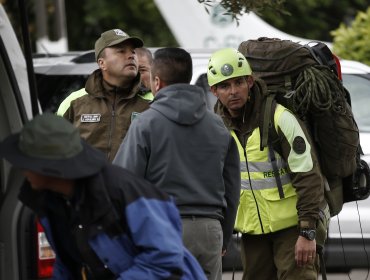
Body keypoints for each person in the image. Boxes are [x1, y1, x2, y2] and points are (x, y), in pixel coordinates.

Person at [0, 113, 207, 280]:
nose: (21, 168)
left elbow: (164, 261)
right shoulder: (52, 203)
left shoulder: (127, 194)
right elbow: (67, 264)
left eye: (26, 161)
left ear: (49, 167)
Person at [113, 47, 241, 280]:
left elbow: (123, 183)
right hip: (210, 230)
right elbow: (232, 188)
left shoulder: (146, 124)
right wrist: (224, 233)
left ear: (157, 82)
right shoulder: (218, 127)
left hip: (163, 228)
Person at [207, 48, 329, 280]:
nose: (233, 91)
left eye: (238, 83)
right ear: (214, 91)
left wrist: (307, 231)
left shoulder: (279, 118)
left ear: (250, 82)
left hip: (292, 228)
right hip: (252, 232)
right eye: (224, 86)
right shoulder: (217, 127)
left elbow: (308, 175)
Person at [57, 29, 152, 162]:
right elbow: (55, 150)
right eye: (121, 51)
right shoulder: (74, 102)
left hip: (130, 183)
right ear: (102, 63)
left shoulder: (153, 103)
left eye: (133, 51)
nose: (131, 56)